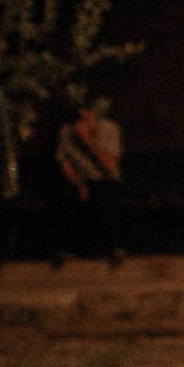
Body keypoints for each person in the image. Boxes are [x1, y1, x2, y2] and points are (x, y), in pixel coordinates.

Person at [54, 104, 125, 266]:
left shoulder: (110, 129)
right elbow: (66, 166)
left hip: (105, 178)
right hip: (80, 179)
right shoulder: (67, 131)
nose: (83, 124)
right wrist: (80, 185)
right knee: (67, 195)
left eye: (87, 119)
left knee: (103, 194)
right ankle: (67, 249)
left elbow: (112, 168)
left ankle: (113, 248)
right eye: (80, 119)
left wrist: (88, 141)